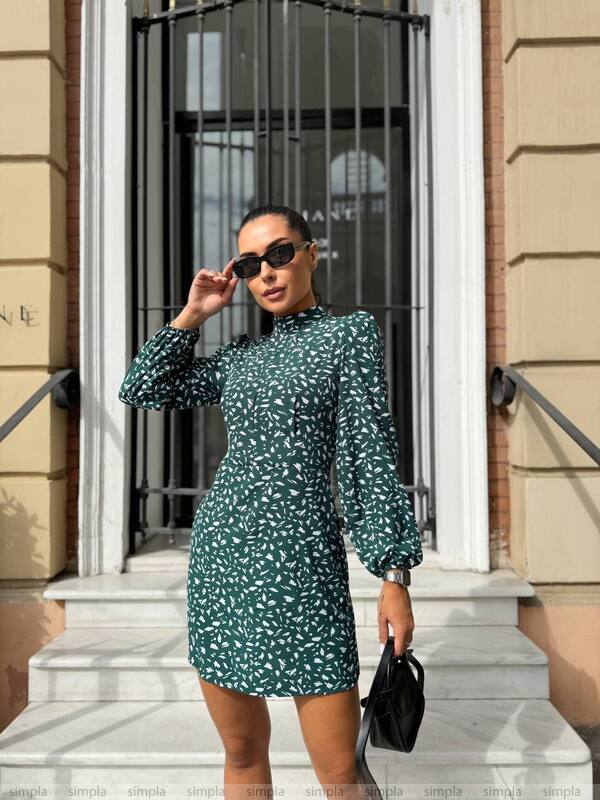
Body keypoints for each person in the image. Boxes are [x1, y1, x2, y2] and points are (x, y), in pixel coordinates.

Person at [118, 204, 423, 799]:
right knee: (241, 751)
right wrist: (194, 314)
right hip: (224, 561)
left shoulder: (348, 336)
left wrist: (393, 574)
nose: (268, 273)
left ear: (312, 253)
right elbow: (141, 388)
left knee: (340, 770)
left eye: (280, 254)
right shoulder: (239, 358)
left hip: (306, 566)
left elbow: (370, 456)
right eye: (251, 263)